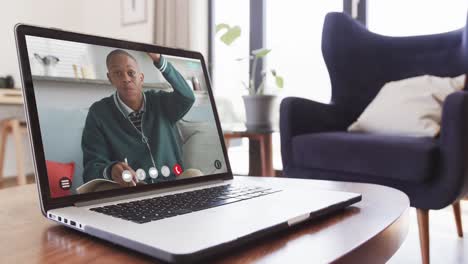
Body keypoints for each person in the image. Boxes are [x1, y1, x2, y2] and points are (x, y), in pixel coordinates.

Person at [81, 49, 195, 187]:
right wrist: (111, 170)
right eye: (117, 73)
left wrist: (160, 61)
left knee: (194, 174)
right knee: (103, 188)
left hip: (172, 185)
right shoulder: (98, 113)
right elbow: (91, 168)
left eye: (131, 73)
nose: (126, 79)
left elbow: (187, 97)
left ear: (141, 78)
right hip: (133, 189)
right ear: (110, 78)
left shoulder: (161, 102)